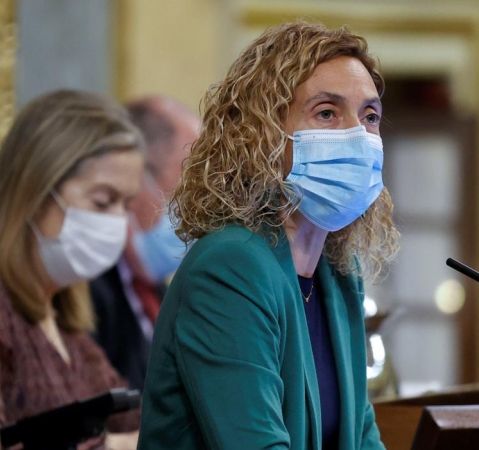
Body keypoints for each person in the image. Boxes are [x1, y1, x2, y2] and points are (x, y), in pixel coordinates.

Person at [138, 22, 400, 449]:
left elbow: (362, 437)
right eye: (327, 113)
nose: (357, 134)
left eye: (370, 116)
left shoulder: (339, 273)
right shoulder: (230, 266)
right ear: (262, 136)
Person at [0, 89, 143, 449]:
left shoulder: (67, 323)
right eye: (102, 200)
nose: (117, 221)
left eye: (125, 204)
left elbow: (142, 424)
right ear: (35, 190)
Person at [90, 96, 199, 391]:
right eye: (184, 183)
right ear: (138, 179)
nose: (190, 205)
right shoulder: (85, 288)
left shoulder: (156, 288)